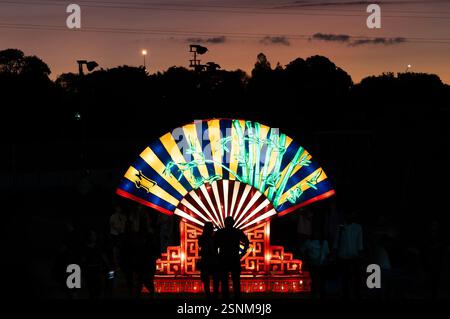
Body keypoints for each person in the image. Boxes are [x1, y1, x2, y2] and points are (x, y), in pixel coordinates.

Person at [215, 217, 250, 300]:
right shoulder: (237, 232)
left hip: (223, 258)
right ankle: (237, 297)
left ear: (224, 223)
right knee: (236, 279)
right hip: (234, 257)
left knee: (224, 280)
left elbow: (214, 244)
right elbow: (247, 242)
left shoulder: (220, 232)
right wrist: (242, 253)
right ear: (233, 223)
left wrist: (216, 255)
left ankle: (225, 297)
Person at [333, 211, 363, 300]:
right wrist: (335, 254)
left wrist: (360, 255)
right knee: (345, 278)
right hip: (343, 256)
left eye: (351, 214)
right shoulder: (341, 227)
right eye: (348, 214)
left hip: (354, 257)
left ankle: (356, 295)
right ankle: (347, 295)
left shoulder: (357, 227)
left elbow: (360, 243)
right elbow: (336, 241)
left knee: (355, 278)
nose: (350, 216)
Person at [301, 226, 330, 299]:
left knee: (321, 281)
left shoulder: (324, 242)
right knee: (314, 281)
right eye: (315, 233)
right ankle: (314, 294)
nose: (317, 234)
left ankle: (321, 294)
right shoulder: (309, 242)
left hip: (322, 264)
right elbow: (302, 250)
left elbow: (327, 253)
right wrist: (307, 259)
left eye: (318, 233)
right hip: (313, 264)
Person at [198, 222, 219, 299]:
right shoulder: (214, 237)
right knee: (215, 279)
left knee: (206, 279)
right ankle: (215, 295)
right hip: (213, 260)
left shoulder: (202, 237)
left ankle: (208, 295)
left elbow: (200, 246)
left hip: (205, 260)